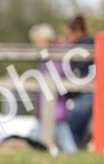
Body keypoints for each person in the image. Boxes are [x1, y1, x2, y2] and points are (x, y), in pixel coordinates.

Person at [27, 23, 77, 154]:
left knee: (35, 142)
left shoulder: (55, 57)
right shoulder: (47, 57)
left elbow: (56, 78)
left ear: (44, 40)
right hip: (49, 111)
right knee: (64, 144)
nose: (34, 45)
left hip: (55, 111)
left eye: (36, 42)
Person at [63, 14, 95, 149]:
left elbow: (76, 69)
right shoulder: (89, 43)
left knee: (73, 126)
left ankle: (75, 148)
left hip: (84, 92)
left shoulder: (82, 46)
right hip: (85, 93)